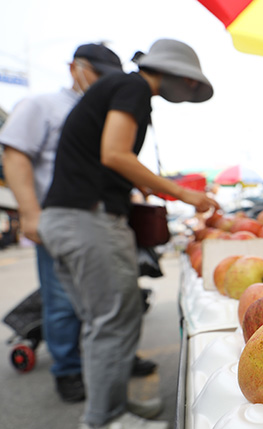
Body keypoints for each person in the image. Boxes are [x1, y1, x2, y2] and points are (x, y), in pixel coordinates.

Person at [37, 39, 220, 429]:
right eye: (190, 84)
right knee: (114, 317)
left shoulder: (119, 89)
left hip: (65, 217)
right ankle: (101, 425)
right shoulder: (133, 88)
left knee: (100, 320)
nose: (189, 92)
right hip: (89, 218)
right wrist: (181, 194)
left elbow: (108, 158)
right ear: (174, 73)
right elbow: (115, 153)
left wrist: (154, 184)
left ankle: (112, 406)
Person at [0, 43, 156, 404]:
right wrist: (29, 212)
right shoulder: (42, 105)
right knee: (62, 300)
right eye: (99, 74)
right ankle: (68, 370)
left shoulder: (104, 104)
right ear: (76, 68)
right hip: (63, 215)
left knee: (111, 302)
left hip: (97, 217)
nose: (103, 81)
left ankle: (114, 364)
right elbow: (16, 154)